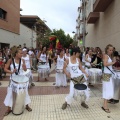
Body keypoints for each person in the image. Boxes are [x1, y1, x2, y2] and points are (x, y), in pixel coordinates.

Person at [4, 48, 32, 116]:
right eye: (20, 53)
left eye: (22, 53)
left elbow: (25, 70)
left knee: (24, 92)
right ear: (16, 54)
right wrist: (11, 72)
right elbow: (5, 69)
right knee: (10, 93)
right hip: (13, 80)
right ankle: (9, 108)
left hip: (21, 80)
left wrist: (25, 67)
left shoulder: (22, 60)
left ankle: (27, 105)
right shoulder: (11, 60)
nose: (22, 54)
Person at [102, 44, 116, 113]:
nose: (111, 51)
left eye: (112, 50)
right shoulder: (106, 56)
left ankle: (105, 104)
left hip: (108, 75)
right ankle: (105, 106)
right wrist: (113, 62)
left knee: (107, 89)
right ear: (107, 50)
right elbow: (105, 64)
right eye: (110, 50)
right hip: (107, 75)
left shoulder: (108, 56)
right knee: (107, 90)